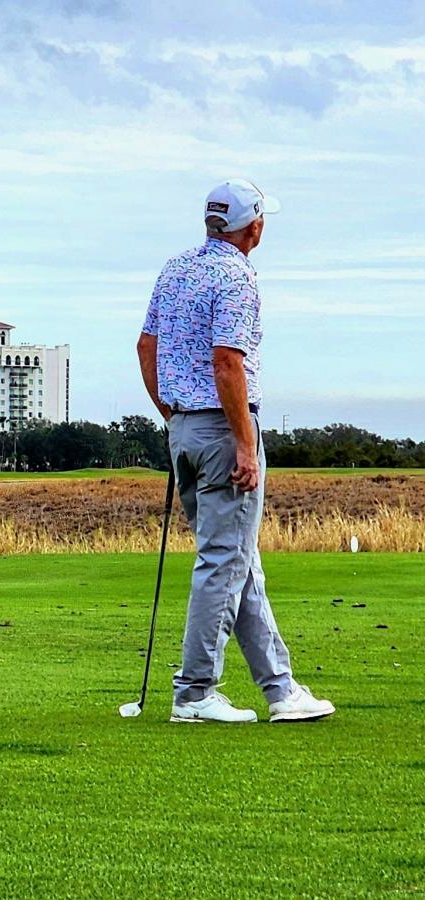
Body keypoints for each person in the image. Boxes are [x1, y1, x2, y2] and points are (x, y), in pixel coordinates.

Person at [137, 179, 334, 724]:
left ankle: (280, 689)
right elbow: (228, 360)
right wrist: (245, 443)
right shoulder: (238, 275)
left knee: (238, 560)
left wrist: (171, 415)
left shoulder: (176, 268)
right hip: (225, 431)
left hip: (185, 432)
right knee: (223, 561)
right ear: (254, 226)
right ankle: (195, 690)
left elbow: (146, 346)